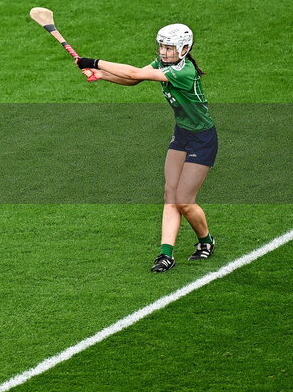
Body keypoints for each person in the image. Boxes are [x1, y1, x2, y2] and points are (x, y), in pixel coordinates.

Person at [75, 24, 216, 273]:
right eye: (161, 46)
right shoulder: (164, 63)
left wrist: (95, 62)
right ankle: (166, 254)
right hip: (182, 134)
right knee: (170, 194)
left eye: (169, 47)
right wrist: (102, 75)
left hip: (202, 139)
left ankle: (206, 241)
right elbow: (134, 78)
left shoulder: (183, 71)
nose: (163, 51)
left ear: (184, 49)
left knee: (184, 200)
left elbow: (133, 72)